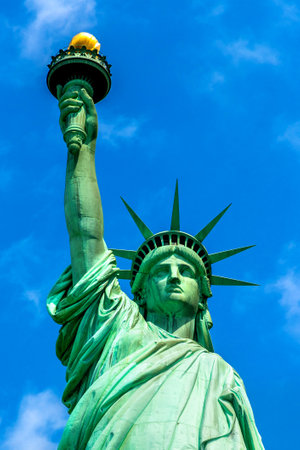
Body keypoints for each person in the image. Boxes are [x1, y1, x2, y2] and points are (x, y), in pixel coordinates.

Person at [47, 86, 264, 449]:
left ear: (203, 300)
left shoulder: (219, 374)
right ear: (141, 291)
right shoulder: (115, 330)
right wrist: (84, 149)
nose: (175, 275)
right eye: (162, 271)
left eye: (187, 271)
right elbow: (85, 235)